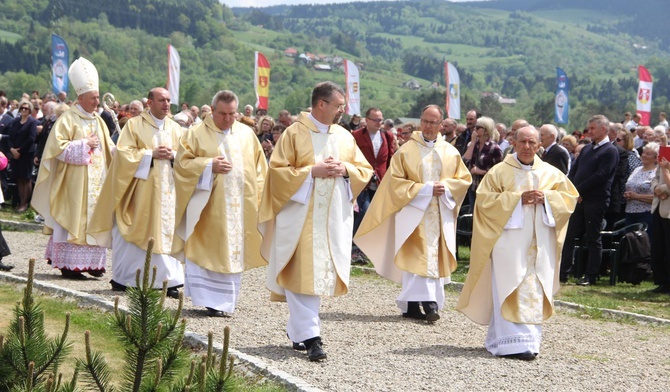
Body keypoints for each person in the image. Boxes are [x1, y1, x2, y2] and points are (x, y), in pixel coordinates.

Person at [258, 81, 373, 362]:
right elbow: (278, 172)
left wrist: (345, 169)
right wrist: (312, 172)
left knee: (316, 276)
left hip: (331, 220)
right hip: (299, 218)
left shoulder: (344, 137)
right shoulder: (294, 134)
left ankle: (298, 331)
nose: (342, 111)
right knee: (302, 273)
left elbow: (363, 169)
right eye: (338, 106)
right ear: (321, 105)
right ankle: (312, 338)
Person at [456, 126, 578, 361]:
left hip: (539, 245)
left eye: (532, 142)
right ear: (514, 142)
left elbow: (569, 199)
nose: (527, 147)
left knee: (534, 288)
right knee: (509, 285)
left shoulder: (551, 174)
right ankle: (508, 343)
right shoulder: (499, 172)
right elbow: (484, 202)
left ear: (539, 145)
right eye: (522, 142)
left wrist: (548, 200)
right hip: (508, 244)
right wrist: (516, 200)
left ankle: (530, 342)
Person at [354, 104, 471, 322]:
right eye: (425, 121)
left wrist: (445, 188)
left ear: (441, 124)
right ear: (420, 121)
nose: (428, 126)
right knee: (417, 256)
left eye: (433, 122)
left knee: (432, 258)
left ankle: (412, 304)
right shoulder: (406, 151)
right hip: (413, 212)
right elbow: (395, 183)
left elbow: (463, 181)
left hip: (439, 213)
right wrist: (425, 189)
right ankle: (428, 303)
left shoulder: (451, 152)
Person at [172, 90, 268, 317]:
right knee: (211, 249)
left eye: (232, 114)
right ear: (212, 111)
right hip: (209, 208)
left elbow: (260, 169)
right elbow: (182, 165)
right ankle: (212, 301)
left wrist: (260, 199)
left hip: (241, 208)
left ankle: (227, 301)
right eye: (222, 114)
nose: (227, 119)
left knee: (235, 252)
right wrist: (207, 166)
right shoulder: (195, 134)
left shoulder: (246, 134)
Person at [88, 88, 185, 297]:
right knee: (136, 230)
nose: (166, 104)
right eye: (162, 100)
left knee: (165, 231)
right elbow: (123, 155)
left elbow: (186, 157)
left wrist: (174, 155)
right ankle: (127, 279)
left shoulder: (176, 129)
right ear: (150, 103)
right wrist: (151, 154)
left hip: (167, 192)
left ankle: (168, 281)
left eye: (168, 100)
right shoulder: (134, 125)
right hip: (139, 193)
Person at [31, 57, 114, 280]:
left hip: (97, 181)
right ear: (81, 98)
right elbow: (56, 148)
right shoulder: (68, 119)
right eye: (93, 98)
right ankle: (70, 265)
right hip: (73, 182)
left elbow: (108, 147)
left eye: (97, 97)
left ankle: (93, 264)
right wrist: (84, 145)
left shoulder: (98, 120)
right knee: (73, 218)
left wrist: (120, 151)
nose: (97, 101)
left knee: (95, 218)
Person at [560, 115, 619, 286]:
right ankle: (563, 272)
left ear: (604, 129)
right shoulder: (586, 149)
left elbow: (601, 176)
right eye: (589, 128)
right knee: (570, 235)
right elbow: (574, 171)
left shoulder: (610, 151)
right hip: (578, 199)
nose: (589, 131)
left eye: (593, 128)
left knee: (593, 238)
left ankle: (590, 275)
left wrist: (579, 190)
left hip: (596, 200)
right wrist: (571, 189)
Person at [351, 107, 396, 263]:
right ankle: (354, 247)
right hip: (362, 181)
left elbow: (391, 159)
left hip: (381, 182)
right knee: (364, 211)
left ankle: (369, 249)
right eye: (376, 120)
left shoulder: (388, 136)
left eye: (381, 120)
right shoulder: (356, 136)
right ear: (367, 120)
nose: (379, 123)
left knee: (378, 216)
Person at [463, 116, 502, 208]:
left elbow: (499, 171)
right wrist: (472, 143)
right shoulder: (473, 145)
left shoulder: (494, 148)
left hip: (487, 189)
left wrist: (480, 171)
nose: (474, 130)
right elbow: (464, 161)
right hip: (473, 187)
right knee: (473, 216)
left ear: (486, 131)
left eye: (478, 128)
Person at [7, 99, 37, 212]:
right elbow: (10, 137)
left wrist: (20, 151)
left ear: (30, 110)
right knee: (19, 178)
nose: (24, 110)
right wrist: (12, 150)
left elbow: (31, 138)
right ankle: (20, 202)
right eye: (22, 108)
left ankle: (25, 204)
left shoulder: (32, 122)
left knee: (26, 178)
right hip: (15, 153)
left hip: (26, 154)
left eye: (26, 108)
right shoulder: (15, 121)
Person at [624, 142, 658, 233]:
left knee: (644, 245)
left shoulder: (657, 172)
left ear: (655, 158)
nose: (644, 155)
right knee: (630, 244)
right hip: (630, 213)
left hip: (647, 214)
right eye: (643, 153)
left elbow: (657, 197)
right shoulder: (636, 169)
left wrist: (636, 196)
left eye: (648, 154)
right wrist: (627, 194)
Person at [651, 157, 670, 293]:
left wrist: (663, 190)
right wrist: (656, 188)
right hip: (658, 207)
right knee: (659, 246)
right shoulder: (665, 156)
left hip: (668, 209)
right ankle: (662, 281)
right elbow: (655, 177)